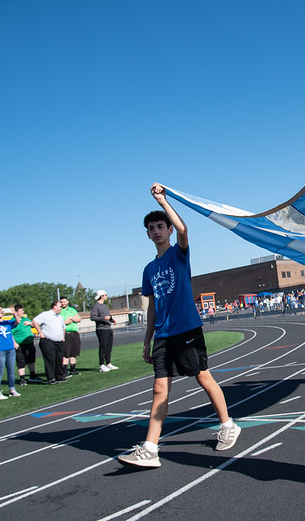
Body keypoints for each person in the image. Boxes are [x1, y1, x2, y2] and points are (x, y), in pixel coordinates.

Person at [117, 183, 241, 469]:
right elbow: (153, 308)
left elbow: (185, 231)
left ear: (168, 229)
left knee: (202, 377)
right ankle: (150, 448)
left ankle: (227, 424)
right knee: (160, 390)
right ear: (147, 234)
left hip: (186, 329)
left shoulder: (178, 254)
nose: (157, 231)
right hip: (162, 334)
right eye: (151, 228)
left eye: (161, 226)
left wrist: (163, 202)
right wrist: (147, 339)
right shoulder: (149, 270)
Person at [0, 306, 21, 399]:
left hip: (10, 349)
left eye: (1, 310)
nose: (0, 312)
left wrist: (14, 313)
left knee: (11, 371)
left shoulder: (7, 323)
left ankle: (12, 389)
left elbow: (18, 321)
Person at [32, 301, 66, 385]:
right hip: (48, 341)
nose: (61, 308)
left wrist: (63, 336)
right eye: (60, 306)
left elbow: (63, 327)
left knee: (59, 359)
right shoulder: (45, 314)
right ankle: (50, 378)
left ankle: (59, 376)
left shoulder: (60, 317)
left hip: (59, 341)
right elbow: (35, 321)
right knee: (50, 360)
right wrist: (40, 332)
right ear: (54, 306)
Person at [12, 304, 40, 385]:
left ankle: (33, 375)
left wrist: (30, 323)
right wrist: (14, 343)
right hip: (20, 344)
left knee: (31, 359)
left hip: (29, 343)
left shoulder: (25, 319)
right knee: (21, 361)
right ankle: (22, 379)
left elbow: (35, 325)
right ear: (16, 312)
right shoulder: (13, 322)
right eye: (21, 311)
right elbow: (10, 334)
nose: (23, 312)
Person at [91, 290, 117, 372]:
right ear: (101, 296)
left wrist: (112, 320)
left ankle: (108, 363)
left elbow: (108, 316)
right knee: (103, 346)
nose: (106, 296)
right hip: (101, 329)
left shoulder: (105, 306)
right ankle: (102, 364)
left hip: (108, 328)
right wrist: (103, 319)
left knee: (109, 347)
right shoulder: (96, 306)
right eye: (105, 295)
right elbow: (93, 317)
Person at [60, 296, 83, 376]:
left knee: (74, 353)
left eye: (64, 301)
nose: (63, 303)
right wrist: (72, 319)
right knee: (66, 353)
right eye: (61, 302)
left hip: (74, 333)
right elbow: (65, 322)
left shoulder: (72, 310)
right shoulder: (60, 312)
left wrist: (72, 318)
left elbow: (78, 319)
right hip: (66, 334)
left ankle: (73, 370)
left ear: (67, 302)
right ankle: (65, 371)